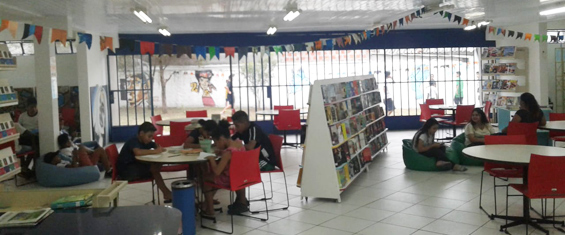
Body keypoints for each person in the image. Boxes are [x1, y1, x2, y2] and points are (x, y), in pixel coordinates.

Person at [117, 122, 172, 202]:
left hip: (135, 167)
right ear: (141, 133)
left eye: (152, 137)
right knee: (154, 169)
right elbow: (137, 152)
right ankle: (166, 193)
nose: (150, 139)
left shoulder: (145, 141)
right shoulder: (134, 141)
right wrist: (155, 152)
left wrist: (158, 147)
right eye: (149, 136)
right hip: (127, 171)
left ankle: (166, 193)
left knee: (156, 167)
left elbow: (154, 145)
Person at [202, 120, 247, 217]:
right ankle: (206, 205)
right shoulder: (239, 144)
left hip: (230, 179)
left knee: (205, 178)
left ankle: (210, 210)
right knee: (210, 178)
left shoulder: (228, 153)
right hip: (241, 176)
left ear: (222, 139)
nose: (216, 145)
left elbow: (217, 172)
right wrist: (221, 152)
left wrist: (211, 159)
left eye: (216, 142)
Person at [17, 97, 40, 177]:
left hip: (35, 137)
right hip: (25, 137)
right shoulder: (22, 116)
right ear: (27, 107)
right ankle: (24, 166)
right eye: (31, 107)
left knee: (35, 144)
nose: (33, 109)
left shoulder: (39, 116)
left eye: (34, 107)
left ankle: (26, 167)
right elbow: (18, 127)